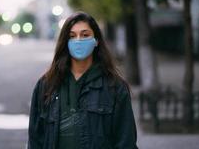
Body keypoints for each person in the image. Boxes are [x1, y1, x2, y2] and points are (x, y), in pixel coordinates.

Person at [28, 11, 138, 149]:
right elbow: (35, 139)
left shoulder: (114, 86)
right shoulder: (46, 85)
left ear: (96, 40)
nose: (78, 40)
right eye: (72, 36)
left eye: (85, 35)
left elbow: (125, 141)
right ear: (65, 42)